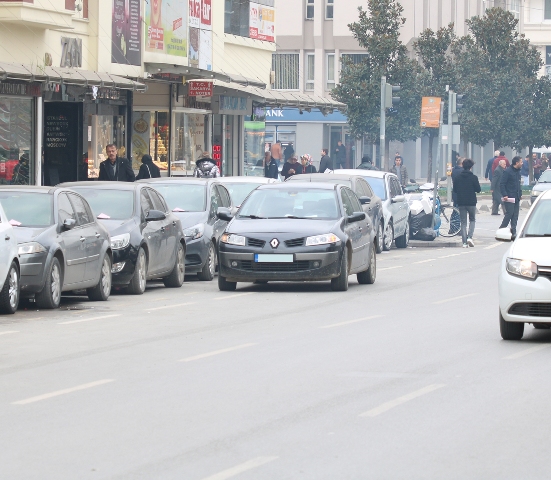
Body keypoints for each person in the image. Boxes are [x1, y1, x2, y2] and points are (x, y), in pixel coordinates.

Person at [453, 158, 481, 248]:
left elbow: (455, 190)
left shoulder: (458, 178)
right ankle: (470, 237)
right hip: (471, 202)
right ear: (471, 167)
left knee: (463, 222)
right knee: (472, 220)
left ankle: (464, 243)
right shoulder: (473, 177)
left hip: (461, 202)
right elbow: (478, 190)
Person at [500, 156, 523, 239]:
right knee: (509, 214)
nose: (522, 163)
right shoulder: (507, 171)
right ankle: (501, 229)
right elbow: (502, 184)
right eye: (521, 162)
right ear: (516, 163)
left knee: (515, 215)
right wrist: (505, 194)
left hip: (516, 197)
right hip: (509, 197)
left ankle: (513, 231)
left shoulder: (518, 172)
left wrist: (520, 194)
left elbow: (518, 184)